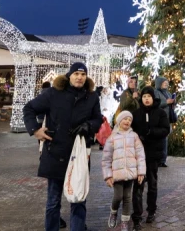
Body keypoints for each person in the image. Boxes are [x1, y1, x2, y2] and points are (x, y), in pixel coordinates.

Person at [23, 62, 103, 231]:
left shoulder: (92, 97)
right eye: (76, 74)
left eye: (83, 74)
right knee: (53, 201)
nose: (80, 77)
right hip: (55, 153)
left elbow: (98, 118)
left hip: (79, 155)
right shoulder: (53, 93)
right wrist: (35, 130)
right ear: (69, 75)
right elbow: (29, 108)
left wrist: (89, 125)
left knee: (79, 199)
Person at [130, 86, 169, 228]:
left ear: (153, 98)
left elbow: (165, 129)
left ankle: (151, 210)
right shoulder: (136, 113)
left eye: (149, 97)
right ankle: (137, 215)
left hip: (153, 153)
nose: (146, 99)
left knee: (152, 183)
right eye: (144, 97)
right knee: (138, 185)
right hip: (138, 155)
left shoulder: (160, 113)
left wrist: (151, 132)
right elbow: (130, 129)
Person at [103, 111, 146, 231]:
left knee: (127, 198)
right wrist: (108, 175)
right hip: (117, 174)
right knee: (118, 196)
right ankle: (113, 212)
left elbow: (140, 154)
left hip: (130, 173)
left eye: (130, 120)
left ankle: (125, 222)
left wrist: (141, 172)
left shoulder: (134, 136)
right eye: (125, 119)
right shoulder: (112, 137)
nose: (127, 121)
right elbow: (106, 158)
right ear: (119, 121)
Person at [154, 77, 174, 167]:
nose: (166, 84)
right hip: (160, 119)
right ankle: (159, 159)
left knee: (165, 139)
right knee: (161, 140)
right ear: (159, 83)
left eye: (167, 82)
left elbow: (170, 103)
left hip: (167, 119)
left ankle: (163, 160)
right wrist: (166, 102)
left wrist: (173, 102)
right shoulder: (156, 92)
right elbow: (155, 104)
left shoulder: (168, 93)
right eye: (164, 83)